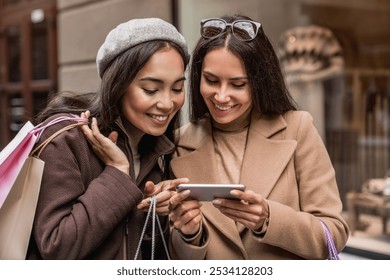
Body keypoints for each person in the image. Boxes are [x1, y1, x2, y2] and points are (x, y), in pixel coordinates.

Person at [168, 14, 349, 260]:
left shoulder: (298, 128)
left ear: (259, 82)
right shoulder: (177, 143)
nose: (221, 96)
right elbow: (172, 258)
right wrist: (190, 236)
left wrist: (269, 218)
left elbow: (334, 235)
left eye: (238, 84)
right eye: (211, 80)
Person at [26, 18, 190, 259]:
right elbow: (57, 247)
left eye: (177, 88)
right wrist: (117, 173)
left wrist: (155, 208)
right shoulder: (66, 140)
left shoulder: (157, 148)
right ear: (118, 84)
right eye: (151, 89)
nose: (167, 103)